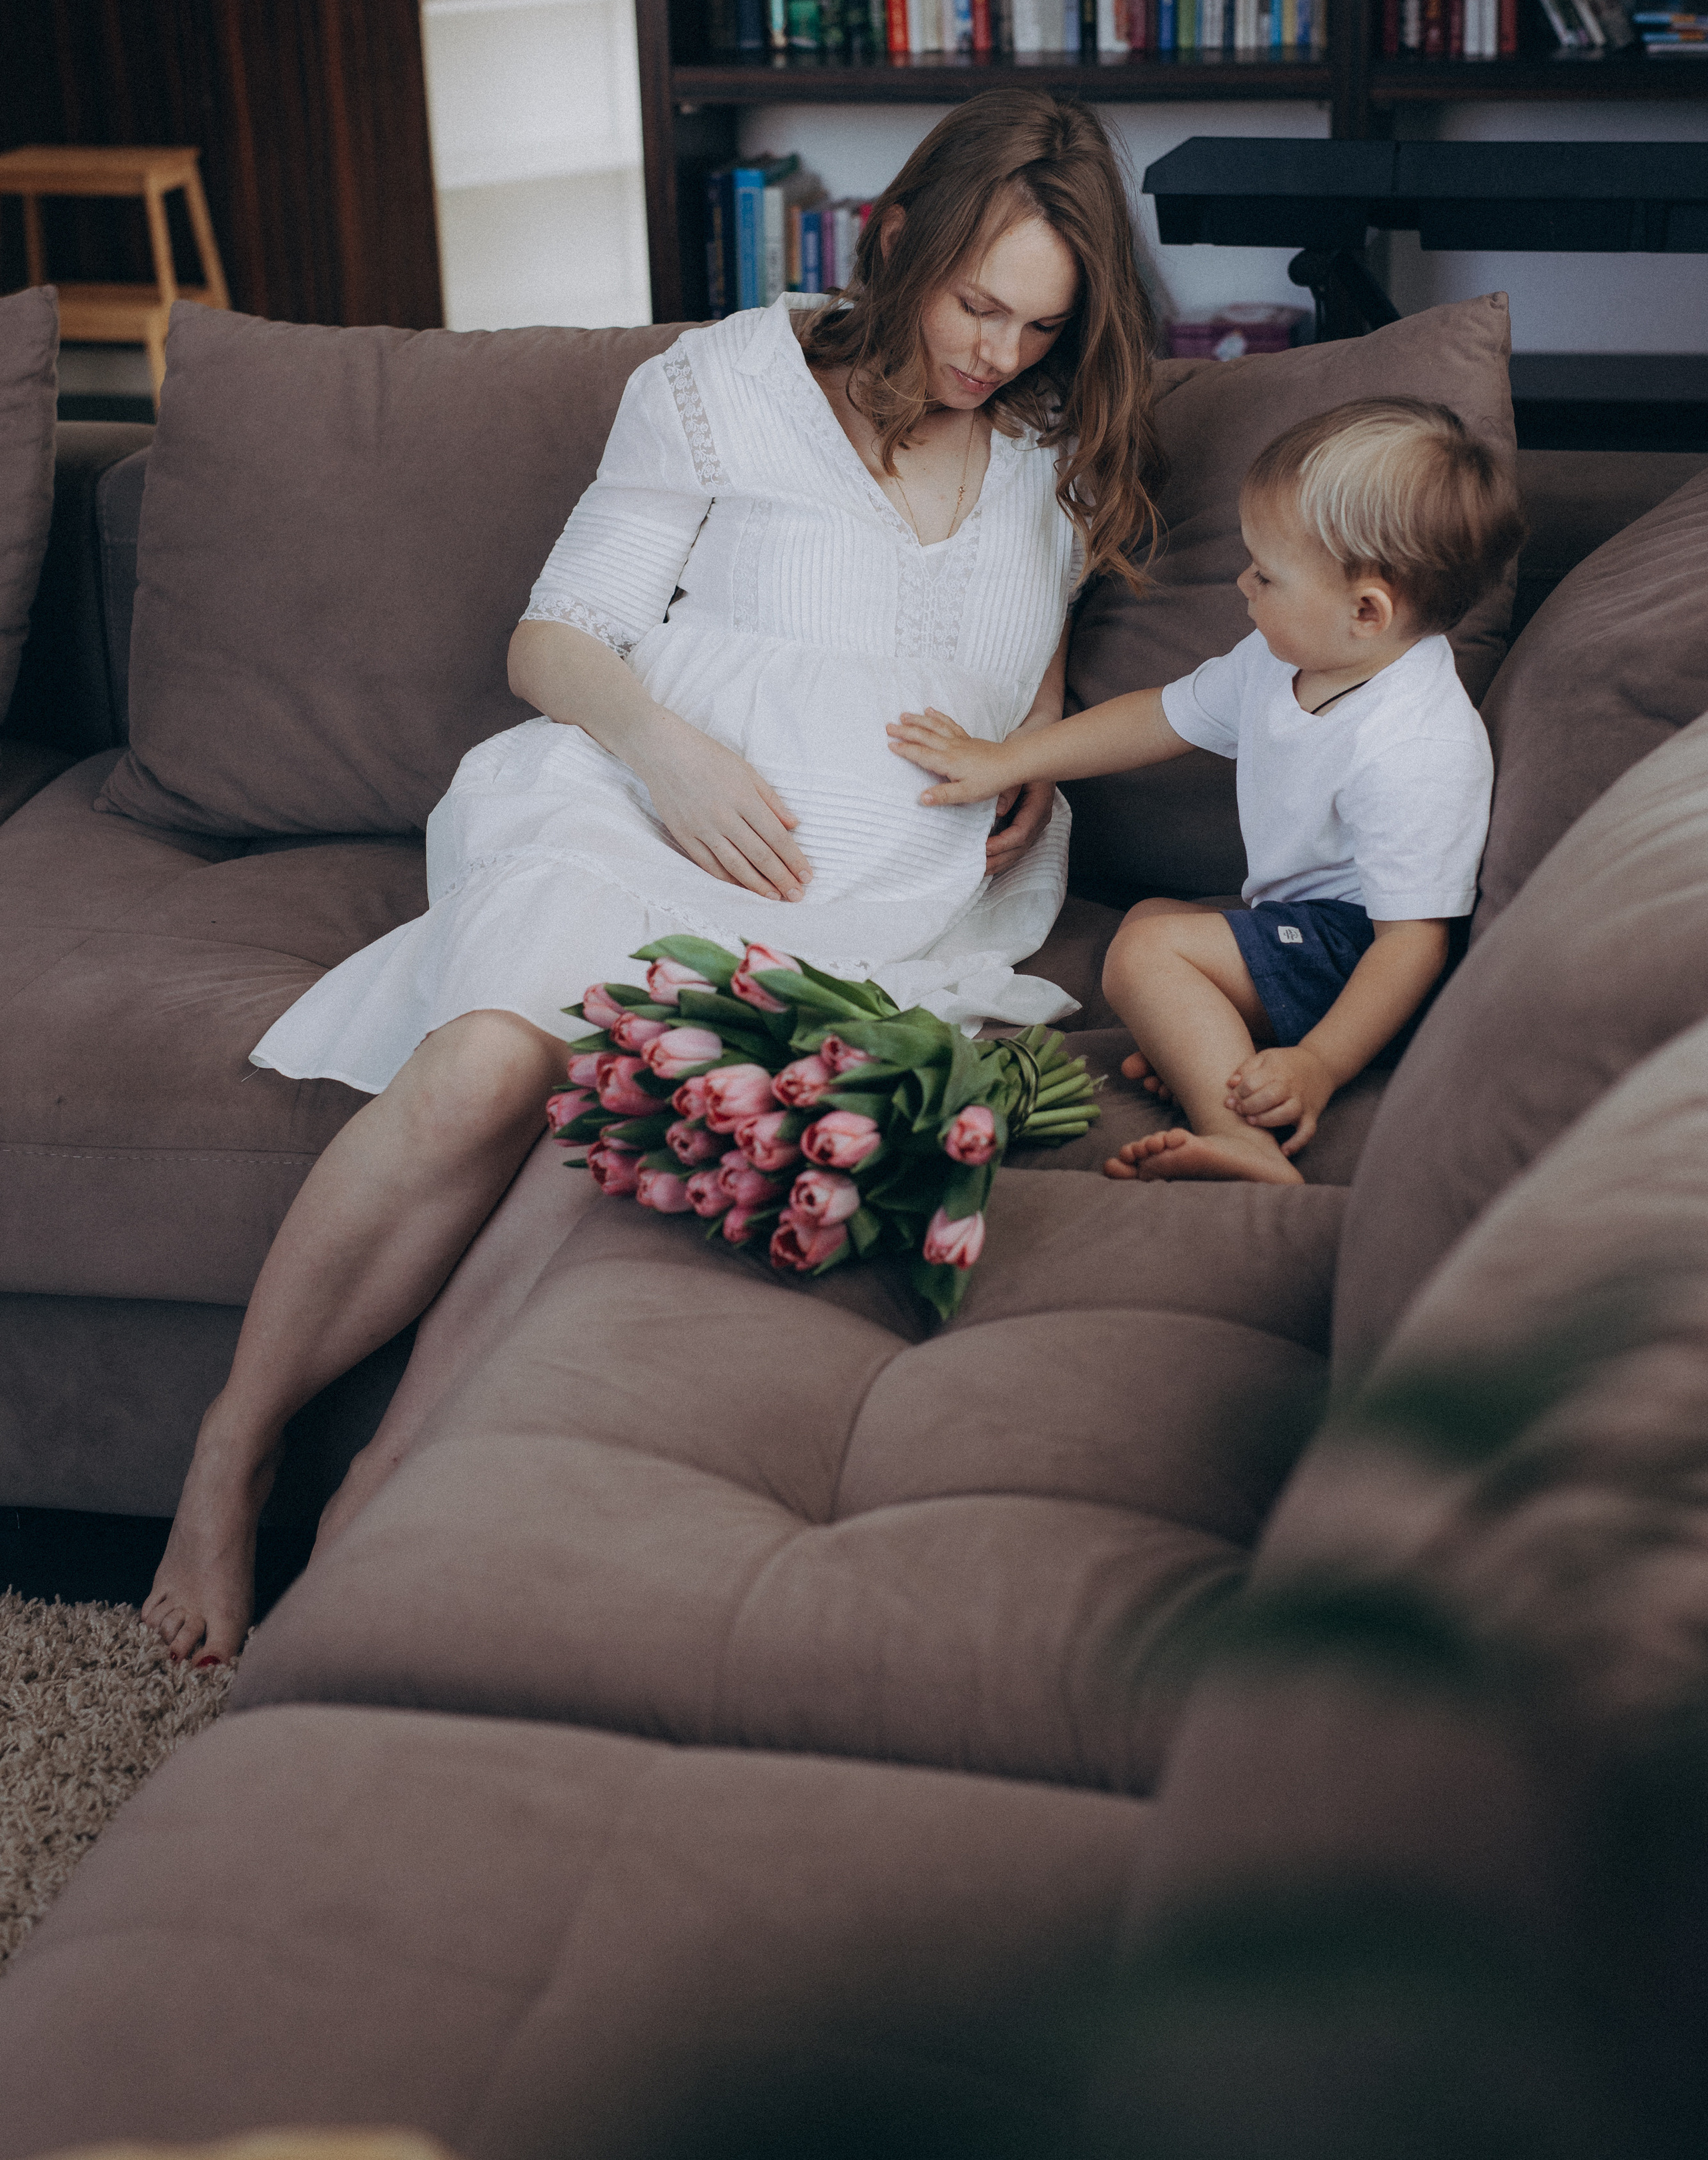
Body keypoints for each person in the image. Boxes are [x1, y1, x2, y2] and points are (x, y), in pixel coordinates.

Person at [142, 89, 1165, 1666]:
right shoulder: (721, 387)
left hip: (866, 895)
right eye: (976, 302)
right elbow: (553, 641)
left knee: (630, 1105)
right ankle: (230, 1455)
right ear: (892, 239)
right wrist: (666, 750)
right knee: (494, 1057)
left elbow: (1017, 670)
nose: (994, 352)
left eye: (1036, 324)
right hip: (624, 806)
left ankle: (382, 1490)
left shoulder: (1052, 445)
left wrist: (1020, 764)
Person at [889, 397, 1524, 1188]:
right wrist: (1008, 759)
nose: (1241, 582)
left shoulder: (1414, 743)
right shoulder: (1285, 657)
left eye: (1266, 573)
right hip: (1302, 929)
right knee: (1157, 921)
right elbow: (1159, 716)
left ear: (1366, 611)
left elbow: (1413, 942)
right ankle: (1218, 1055)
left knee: (1147, 952)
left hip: (1363, 964)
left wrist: (1318, 1065)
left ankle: (1242, 1139)